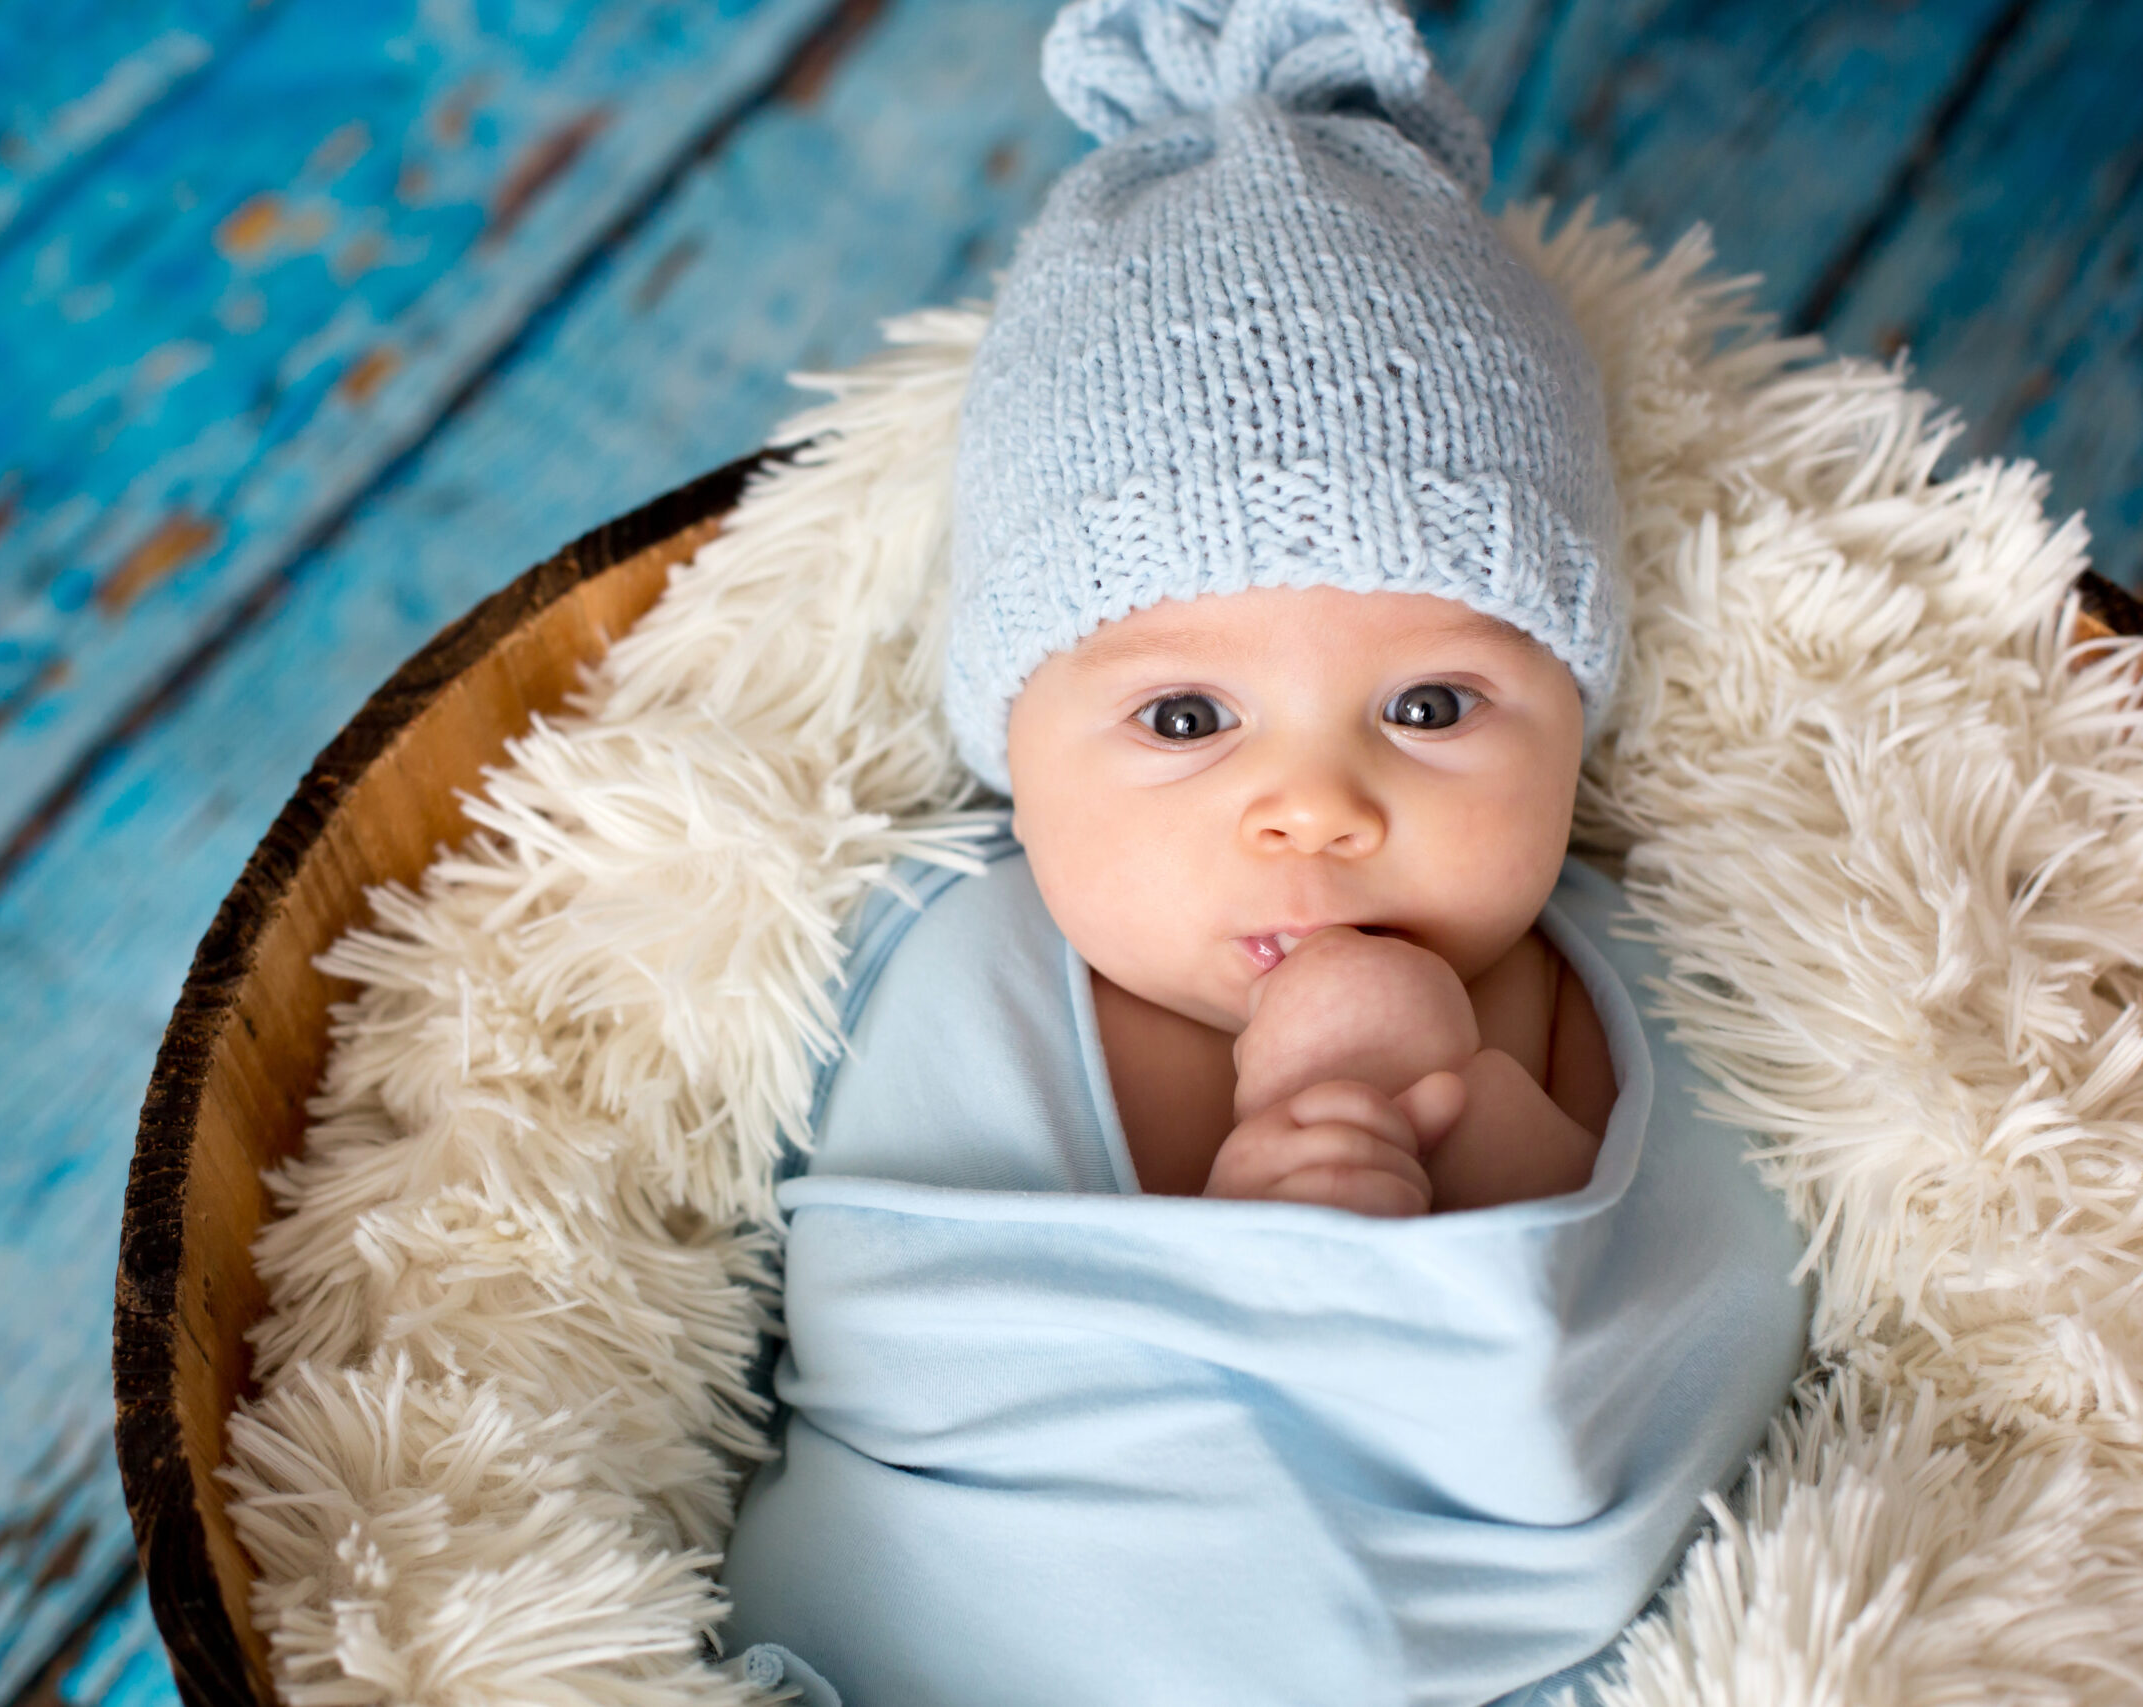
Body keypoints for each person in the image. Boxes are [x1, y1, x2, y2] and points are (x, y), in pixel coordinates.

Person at [719, 2, 1811, 1702]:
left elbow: (1712, 1351)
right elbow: (716, 1284)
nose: (1316, 806)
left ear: (1577, 716)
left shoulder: (1667, 985)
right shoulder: (917, 948)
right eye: (1182, 721)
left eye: (1437, 703)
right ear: (1015, 740)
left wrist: (1483, 1186)